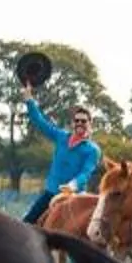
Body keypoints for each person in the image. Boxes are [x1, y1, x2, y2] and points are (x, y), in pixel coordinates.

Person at [22, 90, 103, 222]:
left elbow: (86, 173)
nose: (80, 123)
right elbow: (40, 122)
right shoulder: (61, 137)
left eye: (84, 121)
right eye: (77, 120)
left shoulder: (92, 150)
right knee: (26, 223)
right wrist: (29, 100)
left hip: (74, 196)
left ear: (89, 123)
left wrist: (73, 185)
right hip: (51, 193)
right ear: (73, 123)